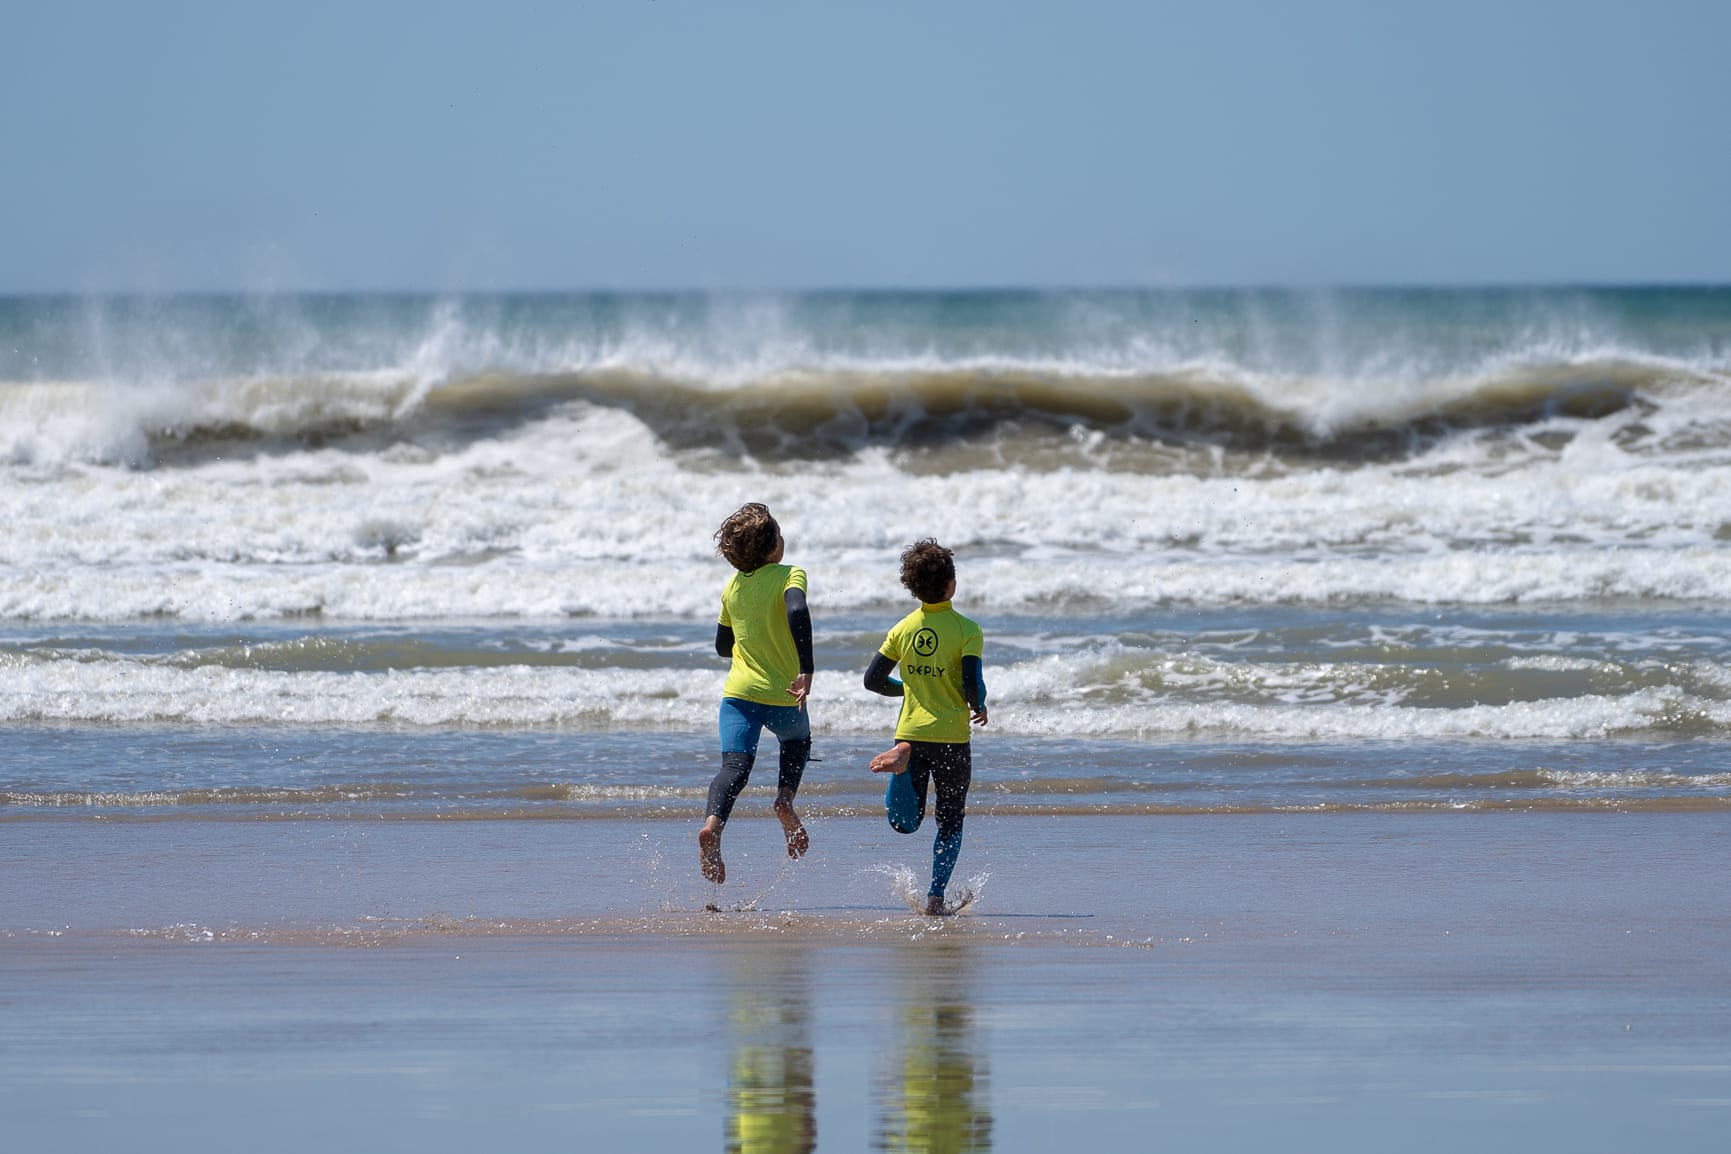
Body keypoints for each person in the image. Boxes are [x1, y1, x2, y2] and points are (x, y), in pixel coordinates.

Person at [862, 539, 988, 915]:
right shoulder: (967, 629)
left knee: (904, 824)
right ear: (951, 584)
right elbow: (971, 683)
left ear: (913, 587)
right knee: (950, 821)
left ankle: (900, 766)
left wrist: (909, 688)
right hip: (951, 738)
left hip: (911, 736)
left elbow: (872, 680)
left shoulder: (902, 629)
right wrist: (977, 703)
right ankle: (935, 896)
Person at [700, 503, 815, 885]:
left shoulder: (732, 588)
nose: (783, 540)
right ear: (772, 549)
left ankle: (713, 827)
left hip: (738, 696)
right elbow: (797, 610)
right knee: (797, 740)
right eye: (779, 535)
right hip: (783, 694)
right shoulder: (789, 574)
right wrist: (806, 667)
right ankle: (784, 799)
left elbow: (722, 645)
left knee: (733, 768)